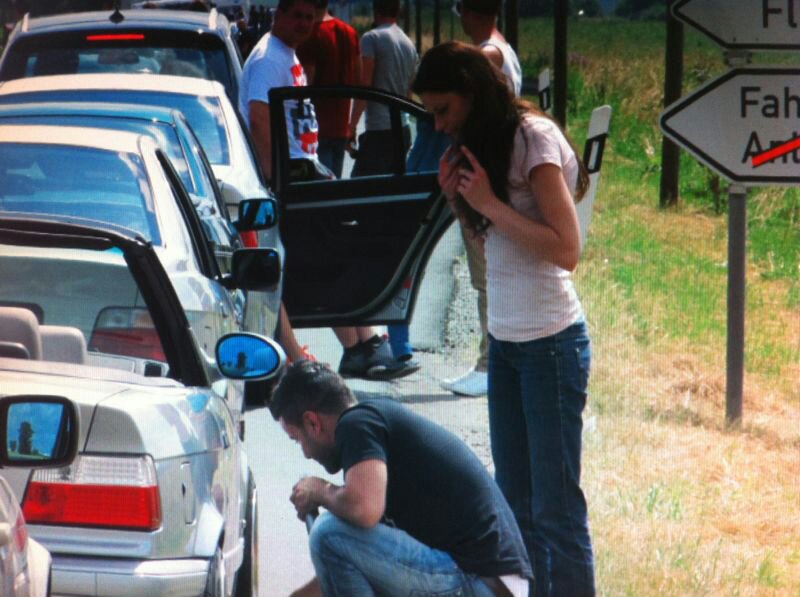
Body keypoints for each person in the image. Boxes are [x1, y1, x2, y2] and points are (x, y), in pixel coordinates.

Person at [413, 41, 596, 596]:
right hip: (508, 344)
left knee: (556, 509)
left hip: (552, 346)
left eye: (444, 110)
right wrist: (460, 202)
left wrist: (488, 202)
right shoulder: (481, 140)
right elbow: (493, 247)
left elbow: (567, 248)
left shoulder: (531, 138)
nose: (440, 125)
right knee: (513, 503)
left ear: (471, 93)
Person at [238, 0, 413, 379]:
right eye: (295, 15)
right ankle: (355, 347)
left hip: (305, 170)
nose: (303, 23)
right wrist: (275, 178)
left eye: (309, 17)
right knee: (324, 259)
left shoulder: (286, 54)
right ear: (278, 14)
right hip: (291, 176)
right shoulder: (269, 58)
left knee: (330, 255)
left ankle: (362, 343)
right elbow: (259, 116)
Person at [270, 360, 533, 596]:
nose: (304, 453)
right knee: (339, 536)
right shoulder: (373, 426)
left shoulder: (356, 422)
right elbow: (355, 561)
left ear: (313, 423)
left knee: (327, 532)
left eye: (297, 439)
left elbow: (364, 510)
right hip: (485, 581)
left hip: (480, 582)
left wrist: (319, 490)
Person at [440, 0, 523, 398]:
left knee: (486, 276)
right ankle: (493, 361)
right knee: (491, 275)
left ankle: (490, 364)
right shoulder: (503, 47)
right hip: (493, 173)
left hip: (485, 175)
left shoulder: (488, 54)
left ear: (470, 13)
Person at [346, 0, 418, 364]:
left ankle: (360, 267)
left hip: (377, 128)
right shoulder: (407, 42)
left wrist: (350, 125)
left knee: (356, 202)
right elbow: (407, 89)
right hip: (401, 127)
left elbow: (365, 84)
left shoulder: (372, 39)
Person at [297, 0, 361, 178]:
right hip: (341, 127)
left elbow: (305, 85)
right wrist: (352, 126)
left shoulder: (311, 36)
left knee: (318, 192)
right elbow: (359, 81)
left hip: (316, 128)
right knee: (335, 188)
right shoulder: (350, 33)